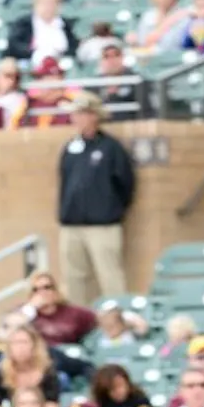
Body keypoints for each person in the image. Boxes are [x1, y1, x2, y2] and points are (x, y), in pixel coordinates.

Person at [58, 94, 135, 308]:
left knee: (110, 278)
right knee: (75, 280)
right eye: (75, 114)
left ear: (94, 115)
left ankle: (119, 320)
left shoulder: (111, 148)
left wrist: (111, 209)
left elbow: (125, 184)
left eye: (81, 113)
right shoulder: (70, 148)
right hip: (72, 225)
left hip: (103, 226)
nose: (76, 118)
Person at [0, 324, 62, 407]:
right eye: (16, 343)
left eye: (24, 342)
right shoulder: (1, 372)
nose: (20, 347)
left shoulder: (47, 371)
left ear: (34, 345)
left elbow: (52, 406)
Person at [7, 0, 80, 67]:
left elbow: (73, 47)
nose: (49, 7)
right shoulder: (23, 24)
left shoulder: (65, 25)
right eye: (45, 3)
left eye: (53, 3)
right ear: (35, 4)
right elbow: (15, 45)